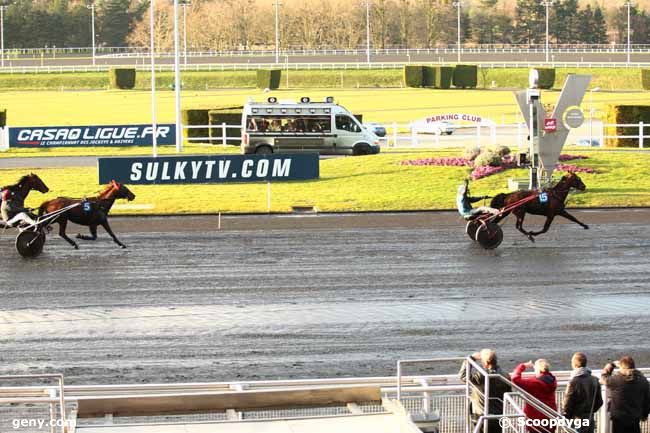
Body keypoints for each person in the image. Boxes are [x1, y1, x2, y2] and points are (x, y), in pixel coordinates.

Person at [459, 349, 512, 433]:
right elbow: (509, 396)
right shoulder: (505, 375)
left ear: (485, 363)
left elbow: (463, 376)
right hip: (499, 414)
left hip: (481, 414)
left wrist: (471, 358)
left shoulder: (481, 375)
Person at [600, 356, 650, 433]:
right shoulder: (643, 380)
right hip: (635, 417)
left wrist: (611, 365)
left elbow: (603, 378)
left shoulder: (616, 380)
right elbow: (647, 399)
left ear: (621, 367)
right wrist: (645, 414)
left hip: (618, 419)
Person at [511, 359, 557, 433]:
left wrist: (522, 366)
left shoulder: (535, 383)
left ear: (538, 370)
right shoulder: (552, 380)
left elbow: (515, 379)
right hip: (551, 416)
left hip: (535, 419)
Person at [562, 352, 602, 433]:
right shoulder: (594, 380)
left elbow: (567, 403)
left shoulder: (573, 382)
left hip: (577, 418)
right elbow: (599, 401)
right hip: (589, 417)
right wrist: (591, 411)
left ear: (574, 364)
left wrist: (567, 415)